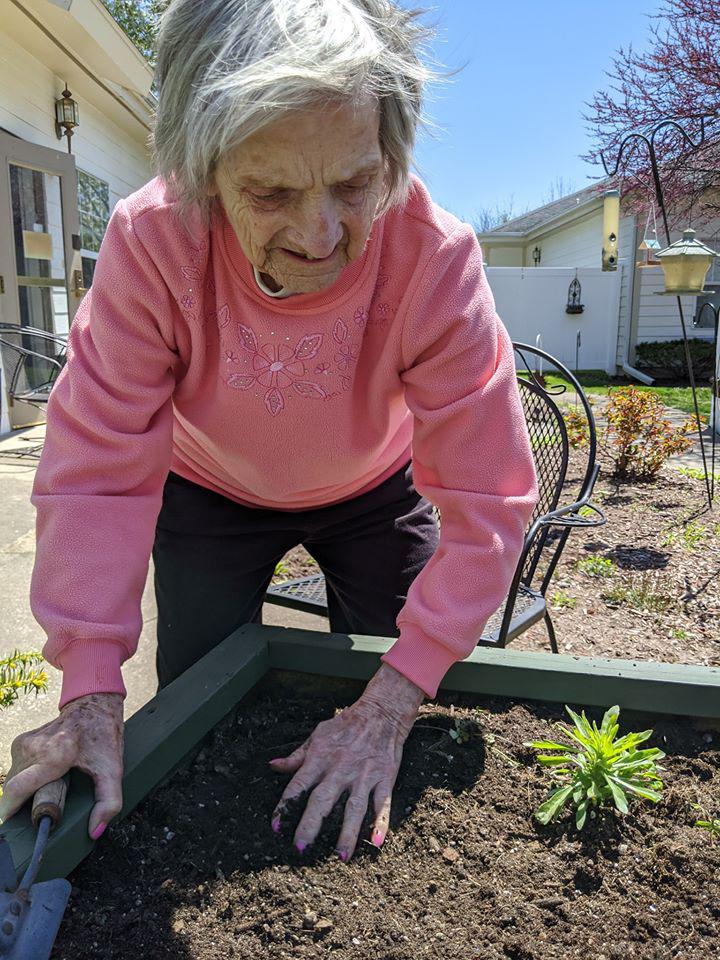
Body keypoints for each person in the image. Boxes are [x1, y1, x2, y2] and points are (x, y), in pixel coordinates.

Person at [0, 0, 538, 863]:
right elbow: (97, 471)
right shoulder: (153, 242)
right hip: (207, 491)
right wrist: (89, 688)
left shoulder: (433, 258)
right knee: (195, 713)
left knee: (409, 705)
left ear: (391, 157)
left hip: (374, 490)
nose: (321, 235)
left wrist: (392, 699)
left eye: (355, 184)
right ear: (202, 170)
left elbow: (488, 498)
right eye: (271, 192)